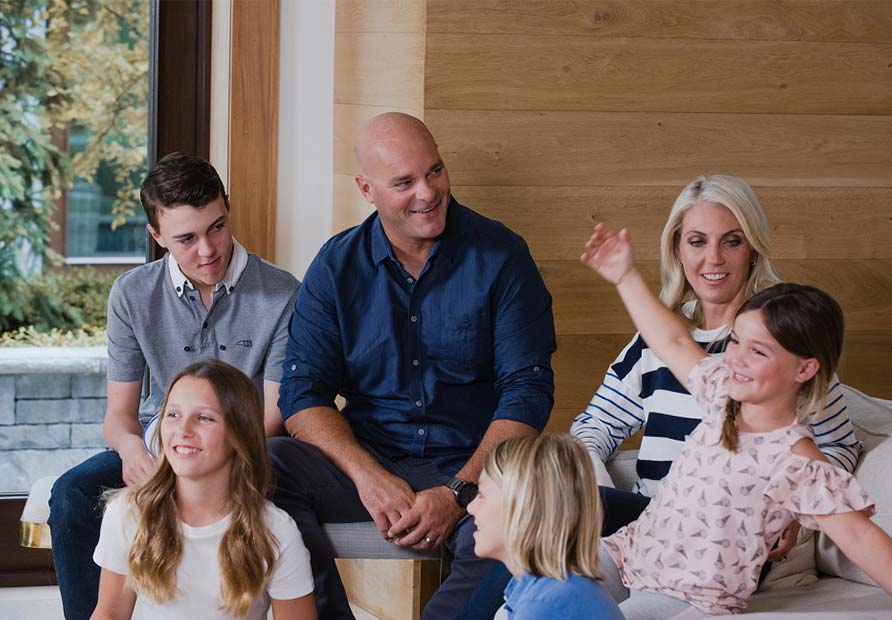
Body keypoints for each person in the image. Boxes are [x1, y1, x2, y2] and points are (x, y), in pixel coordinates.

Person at [460, 174, 863, 618]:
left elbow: (838, 446)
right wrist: (591, 495)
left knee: (532, 517)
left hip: (725, 537)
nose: (713, 258)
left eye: (731, 241)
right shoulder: (656, 340)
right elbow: (592, 428)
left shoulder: (779, 348)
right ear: (677, 249)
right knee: (532, 520)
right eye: (697, 241)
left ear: (753, 249)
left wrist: (789, 509)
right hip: (649, 519)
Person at [270, 112, 557, 619]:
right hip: (370, 456)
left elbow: (527, 391)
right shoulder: (335, 267)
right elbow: (302, 395)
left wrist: (456, 491)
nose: (427, 192)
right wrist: (367, 476)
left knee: (526, 511)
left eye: (435, 171)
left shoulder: (502, 255)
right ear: (367, 189)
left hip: (476, 465)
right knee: (266, 466)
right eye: (404, 182)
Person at [583, 224, 892, 618]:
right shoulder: (720, 394)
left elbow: (858, 535)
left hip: (685, 597)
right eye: (735, 342)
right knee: (538, 584)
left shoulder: (795, 460)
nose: (736, 359)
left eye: (758, 352)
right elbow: (673, 340)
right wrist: (625, 276)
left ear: (805, 369)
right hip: (626, 554)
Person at [48, 152, 300, 620]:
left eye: (217, 227)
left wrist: (211, 457)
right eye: (186, 238)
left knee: (293, 499)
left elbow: (273, 412)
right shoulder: (130, 293)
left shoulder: (283, 293)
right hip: (159, 448)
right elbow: (120, 416)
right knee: (71, 496)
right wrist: (135, 455)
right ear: (157, 236)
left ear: (228, 207)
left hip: (244, 451)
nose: (207, 250)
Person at [91, 361, 316, 619]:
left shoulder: (276, 531)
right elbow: (109, 613)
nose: (183, 430)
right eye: (173, 415)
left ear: (239, 434)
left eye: (204, 418)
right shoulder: (128, 513)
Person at [467, 434, 624, 620]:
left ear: (525, 507)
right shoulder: (541, 589)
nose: (470, 507)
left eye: (482, 495)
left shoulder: (545, 604)